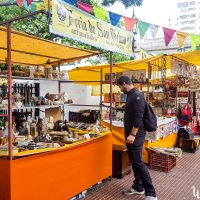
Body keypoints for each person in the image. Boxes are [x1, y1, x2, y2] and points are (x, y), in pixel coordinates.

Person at [116, 75, 157, 200]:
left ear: (124, 83)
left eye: (119, 86)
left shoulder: (137, 96)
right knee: (135, 161)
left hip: (136, 135)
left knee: (138, 163)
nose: (119, 89)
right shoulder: (131, 95)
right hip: (132, 135)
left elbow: (138, 117)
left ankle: (151, 193)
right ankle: (138, 187)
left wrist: (132, 134)